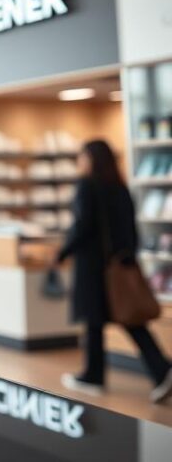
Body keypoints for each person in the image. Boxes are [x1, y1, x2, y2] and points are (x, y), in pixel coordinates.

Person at [56, 139, 172, 403]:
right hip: (118, 266)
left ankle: (94, 375)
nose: (79, 162)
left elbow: (82, 226)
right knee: (131, 321)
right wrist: (127, 256)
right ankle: (161, 369)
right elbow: (131, 229)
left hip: (93, 268)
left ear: (92, 159)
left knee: (94, 322)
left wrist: (63, 252)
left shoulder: (87, 186)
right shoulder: (119, 187)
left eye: (82, 156)